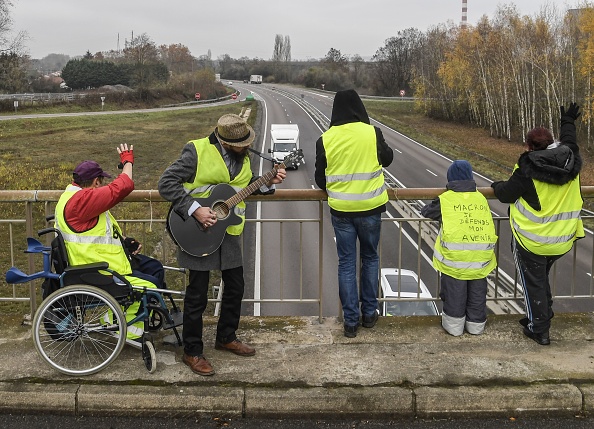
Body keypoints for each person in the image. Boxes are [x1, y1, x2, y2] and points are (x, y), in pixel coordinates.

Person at [158, 113, 286, 376]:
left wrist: (266, 183)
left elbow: (240, 187)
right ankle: (192, 352)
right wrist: (195, 210)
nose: (247, 147)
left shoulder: (243, 156)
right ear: (225, 142)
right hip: (196, 231)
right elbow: (166, 183)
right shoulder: (196, 151)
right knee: (197, 295)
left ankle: (226, 336)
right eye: (243, 144)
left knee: (236, 286)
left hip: (227, 231)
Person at [491, 102, 584, 346]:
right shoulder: (570, 159)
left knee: (533, 284)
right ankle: (542, 314)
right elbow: (570, 141)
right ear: (552, 144)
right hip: (564, 238)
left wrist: (495, 185)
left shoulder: (527, 169)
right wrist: (568, 121)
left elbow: (506, 195)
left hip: (532, 241)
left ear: (530, 147)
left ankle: (539, 329)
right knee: (540, 279)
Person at [55, 144, 165, 339]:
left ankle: (135, 316)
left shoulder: (70, 197)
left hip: (97, 263)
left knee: (154, 267)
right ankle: (127, 327)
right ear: (96, 182)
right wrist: (127, 162)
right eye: (100, 182)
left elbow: (94, 230)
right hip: (99, 270)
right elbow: (122, 186)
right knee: (153, 284)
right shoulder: (82, 200)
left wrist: (125, 240)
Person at [314, 89, 393, 338]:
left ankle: (350, 322)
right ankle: (369, 314)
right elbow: (388, 159)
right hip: (370, 209)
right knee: (370, 259)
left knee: (346, 264)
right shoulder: (372, 132)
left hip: (342, 211)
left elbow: (320, 179)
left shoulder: (325, 139)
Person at [421, 160, 497, 336]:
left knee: (455, 294)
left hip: (455, 261)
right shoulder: (481, 199)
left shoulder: (446, 200)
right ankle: (476, 326)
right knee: (477, 294)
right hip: (480, 261)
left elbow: (426, 211)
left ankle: (454, 328)